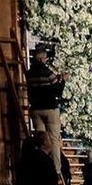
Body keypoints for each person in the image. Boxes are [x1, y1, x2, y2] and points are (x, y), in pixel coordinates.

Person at [26, 43, 66, 174]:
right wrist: (63, 80)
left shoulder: (29, 74)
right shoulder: (47, 73)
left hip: (36, 109)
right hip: (50, 108)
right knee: (53, 140)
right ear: (42, 59)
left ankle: (40, 168)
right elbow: (57, 90)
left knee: (40, 139)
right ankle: (56, 170)